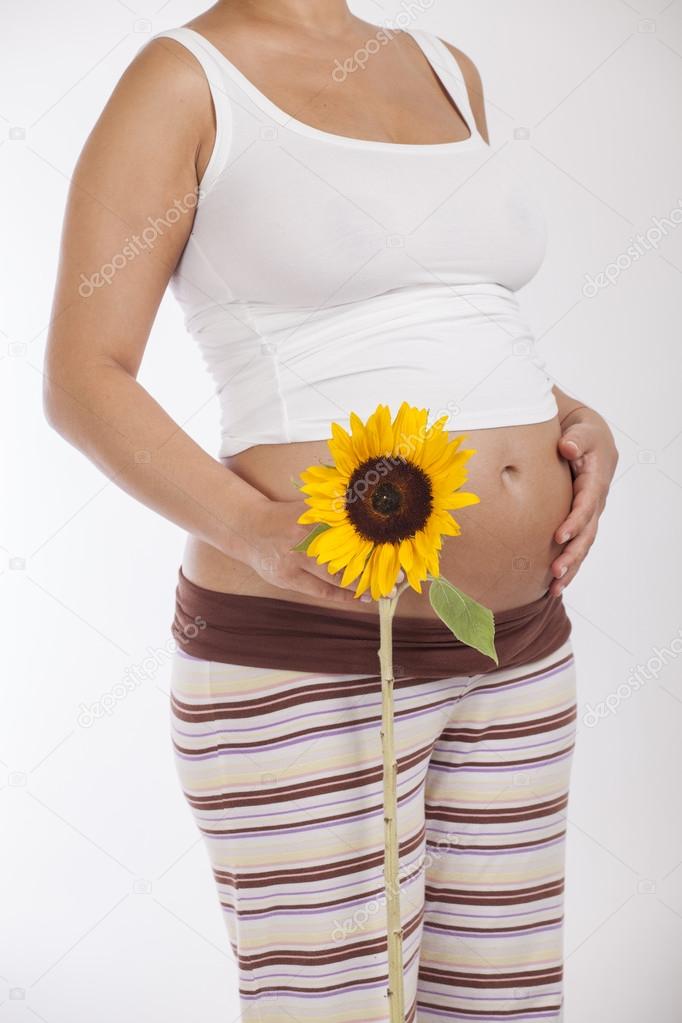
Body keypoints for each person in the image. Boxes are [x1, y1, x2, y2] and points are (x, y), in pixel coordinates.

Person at [43, 2, 618, 1019]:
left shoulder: (447, 66)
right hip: (306, 654)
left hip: (519, 652)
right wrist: (253, 530)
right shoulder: (183, 80)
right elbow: (83, 378)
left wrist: (564, 418)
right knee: (331, 1008)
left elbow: (443, 309)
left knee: (505, 1007)